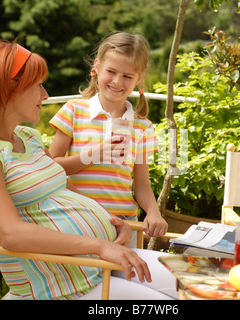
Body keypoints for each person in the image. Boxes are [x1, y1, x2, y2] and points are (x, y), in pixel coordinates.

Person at [0, 40, 177, 300]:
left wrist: (115, 224)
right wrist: (99, 246)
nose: (45, 96)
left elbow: (67, 190)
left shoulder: (28, 137)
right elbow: (10, 234)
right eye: (38, 86)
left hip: (93, 267)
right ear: (9, 89)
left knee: (192, 281)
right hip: (64, 286)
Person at [48, 32, 168, 246]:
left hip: (126, 224)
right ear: (97, 67)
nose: (117, 81)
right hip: (80, 218)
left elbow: (141, 186)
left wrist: (153, 212)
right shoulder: (74, 111)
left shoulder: (142, 127)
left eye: (127, 76)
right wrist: (94, 155)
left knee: (128, 277)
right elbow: (50, 167)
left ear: (138, 78)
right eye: (111, 71)